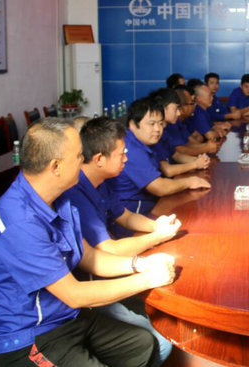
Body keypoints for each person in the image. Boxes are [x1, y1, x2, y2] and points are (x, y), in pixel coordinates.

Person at [0, 118, 175, 366]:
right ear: (56, 166)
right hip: (27, 338)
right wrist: (148, 279)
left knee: (145, 344)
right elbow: (74, 294)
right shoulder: (19, 222)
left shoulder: (61, 197)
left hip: (66, 317)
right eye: (79, 155)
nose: (84, 160)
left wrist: (140, 264)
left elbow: (89, 257)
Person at [55, 117, 181, 366]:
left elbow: (123, 216)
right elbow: (105, 252)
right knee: (163, 338)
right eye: (121, 153)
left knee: (164, 320)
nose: (126, 158)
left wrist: (157, 227)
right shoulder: (73, 193)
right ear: (98, 158)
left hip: (104, 276)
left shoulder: (100, 182)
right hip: (90, 290)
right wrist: (156, 240)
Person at [106, 97, 210, 217]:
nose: (157, 129)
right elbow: (160, 187)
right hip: (133, 213)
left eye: (160, 124)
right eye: (151, 124)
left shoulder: (144, 141)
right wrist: (190, 181)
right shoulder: (131, 149)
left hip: (148, 205)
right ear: (133, 125)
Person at [148, 88, 212, 178]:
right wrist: (195, 165)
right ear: (163, 108)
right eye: (176, 109)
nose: (178, 113)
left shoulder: (164, 131)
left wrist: (198, 160)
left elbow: (176, 155)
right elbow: (168, 171)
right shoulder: (155, 134)